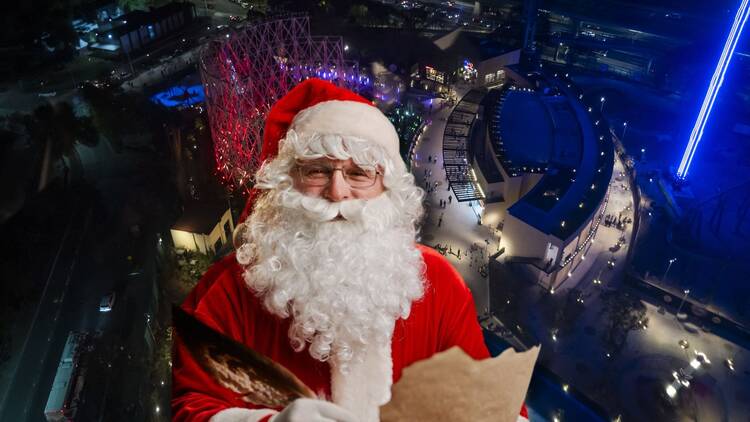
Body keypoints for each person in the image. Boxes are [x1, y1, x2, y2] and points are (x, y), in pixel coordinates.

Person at [171, 79, 528, 422]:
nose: (337, 192)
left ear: (387, 188)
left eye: (358, 173)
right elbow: (190, 405)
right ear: (286, 181)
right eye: (317, 170)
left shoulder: (440, 282)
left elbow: (487, 396)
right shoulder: (227, 289)